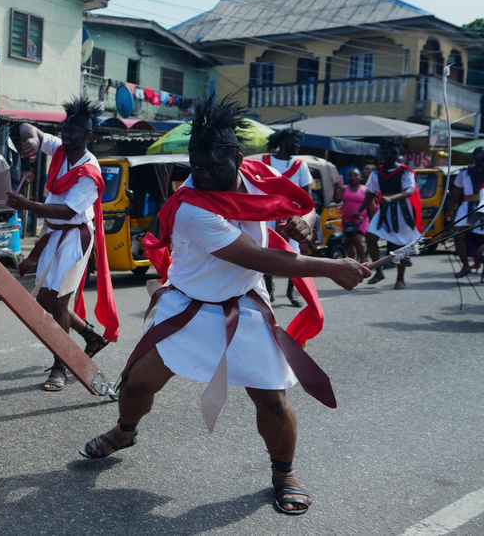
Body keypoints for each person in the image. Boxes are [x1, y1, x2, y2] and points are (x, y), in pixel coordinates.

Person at [78, 96, 370, 517]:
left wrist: (299, 224)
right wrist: (332, 267)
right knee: (137, 384)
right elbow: (259, 258)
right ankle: (126, 430)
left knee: (270, 400)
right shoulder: (191, 206)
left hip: (244, 305)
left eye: (215, 166)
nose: (204, 175)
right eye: (195, 167)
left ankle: (284, 473)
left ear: (237, 156)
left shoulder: (259, 176)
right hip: (188, 305)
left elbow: (286, 216)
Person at [7, 97, 118, 392]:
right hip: (54, 232)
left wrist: (26, 204)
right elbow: (28, 127)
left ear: (88, 136)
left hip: (75, 235)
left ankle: (61, 366)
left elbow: (68, 211)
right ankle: (91, 336)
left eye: (73, 131)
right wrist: (30, 140)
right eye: (65, 129)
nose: (66, 135)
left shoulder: (90, 172)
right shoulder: (59, 149)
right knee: (44, 301)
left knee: (58, 301)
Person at [259, 128, 313, 307]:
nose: (298, 146)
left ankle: (291, 292)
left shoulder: (300, 165)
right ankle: (269, 289)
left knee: (294, 255)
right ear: (283, 143)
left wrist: (305, 219)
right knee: (265, 251)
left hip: (291, 216)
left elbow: (307, 195)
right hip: (267, 214)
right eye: (295, 142)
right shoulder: (264, 161)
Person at [359, 139, 422, 290]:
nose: (383, 157)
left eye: (386, 154)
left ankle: (400, 278)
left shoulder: (405, 172)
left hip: (402, 211)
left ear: (395, 155)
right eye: (382, 154)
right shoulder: (376, 173)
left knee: (401, 246)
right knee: (371, 237)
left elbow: (409, 191)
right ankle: (379, 271)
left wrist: (392, 198)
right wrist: (359, 210)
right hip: (384, 211)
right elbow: (370, 193)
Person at [447, 147, 484, 278]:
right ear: (474, 158)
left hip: (482, 208)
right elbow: (457, 192)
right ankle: (465, 265)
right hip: (467, 207)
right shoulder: (465, 173)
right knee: (458, 235)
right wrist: (450, 209)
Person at [340, 167, 370, 263]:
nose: (353, 177)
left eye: (356, 175)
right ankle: (353, 262)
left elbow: (372, 206)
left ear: (360, 176)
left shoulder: (365, 189)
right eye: (351, 175)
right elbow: (336, 199)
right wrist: (337, 187)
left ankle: (363, 260)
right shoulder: (344, 188)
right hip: (347, 220)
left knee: (357, 239)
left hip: (361, 220)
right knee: (348, 241)